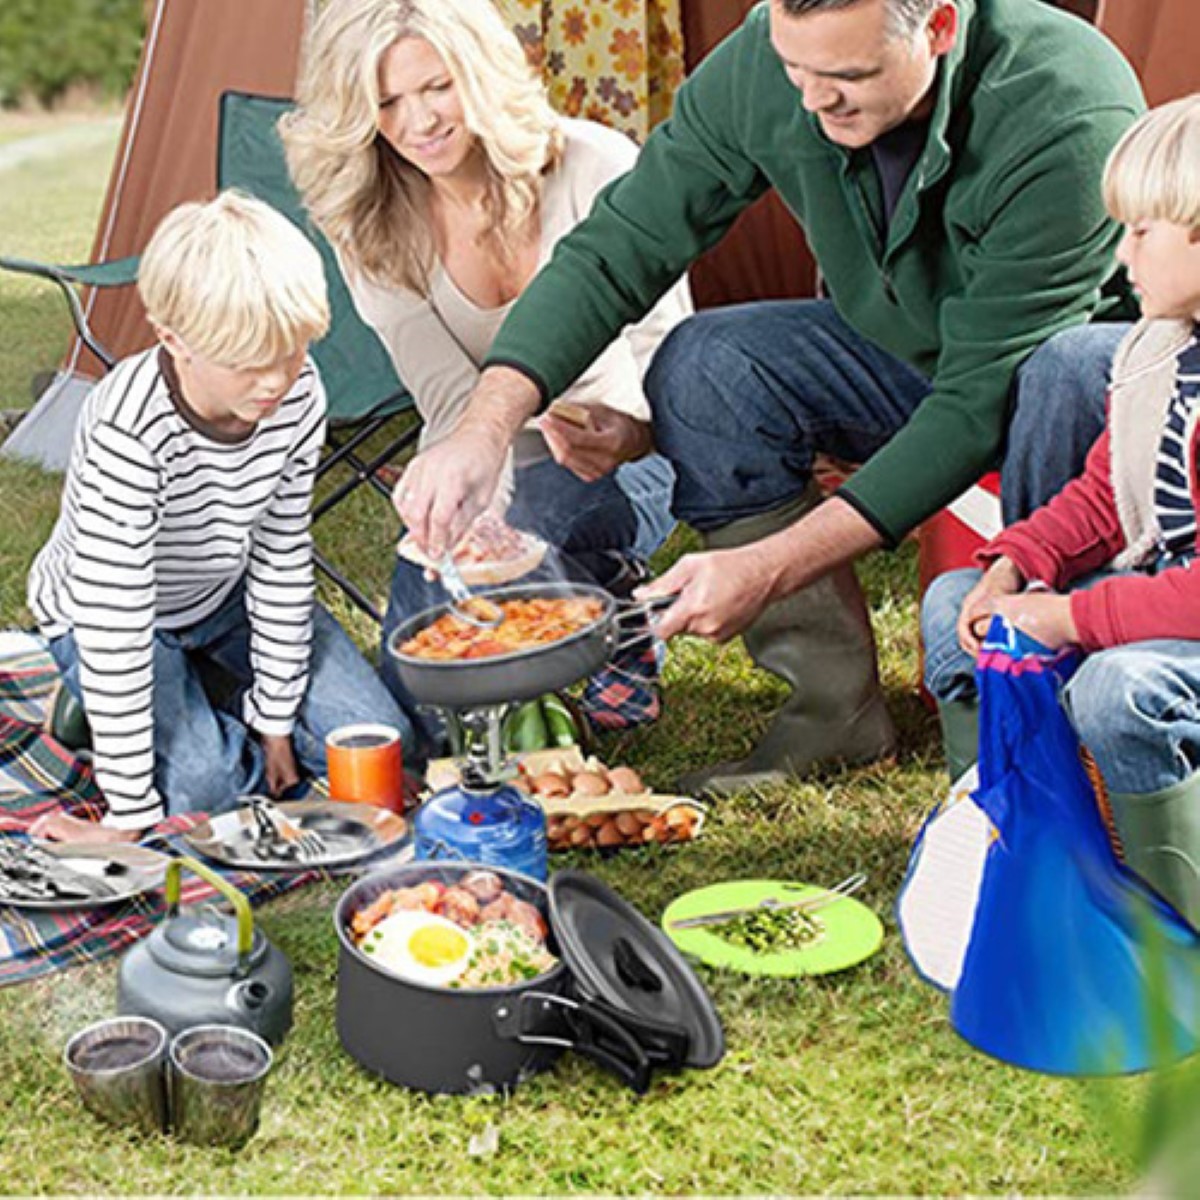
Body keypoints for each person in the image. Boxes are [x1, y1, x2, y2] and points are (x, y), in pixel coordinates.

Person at [393, 0, 1145, 794]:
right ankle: (834, 720)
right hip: (904, 351)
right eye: (796, 70)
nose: (813, 100)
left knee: (1063, 370)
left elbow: (975, 404)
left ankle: (1057, 709)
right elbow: (620, 247)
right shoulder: (769, 61)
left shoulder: (1064, 103)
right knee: (709, 365)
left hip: (1069, 389)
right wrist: (485, 426)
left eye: (847, 75)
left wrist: (770, 567)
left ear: (938, 29)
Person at [281, 0, 691, 741]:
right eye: (386, 103)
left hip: (629, 450)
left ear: (480, 69)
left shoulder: (597, 166)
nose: (419, 122)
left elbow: (669, 360)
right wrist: (474, 514)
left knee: (545, 519)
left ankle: (615, 617)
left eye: (437, 86)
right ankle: (599, 605)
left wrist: (629, 432)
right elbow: (446, 396)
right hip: (481, 461)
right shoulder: (368, 219)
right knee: (421, 702)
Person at [26, 191, 417, 844]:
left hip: (222, 596)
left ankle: (212, 698)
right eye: (248, 364)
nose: (274, 382)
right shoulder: (128, 428)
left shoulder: (297, 394)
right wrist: (128, 810)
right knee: (206, 796)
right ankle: (128, 711)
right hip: (115, 616)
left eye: (290, 353)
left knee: (380, 742)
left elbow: (281, 554)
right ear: (173, 340)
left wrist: (275, 718)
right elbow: (116, 619)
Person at [921, 95, 1200, 928]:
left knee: (1119, 688)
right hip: (1164, 598)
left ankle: (1167, 916)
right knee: (952, 611)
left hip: (1181, 617)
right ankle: (1007, 849)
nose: (1122, 255)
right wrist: (1015, 565)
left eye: (1141, 232)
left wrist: (1070, 617)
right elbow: (1106, 496)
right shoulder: (1163, 353)